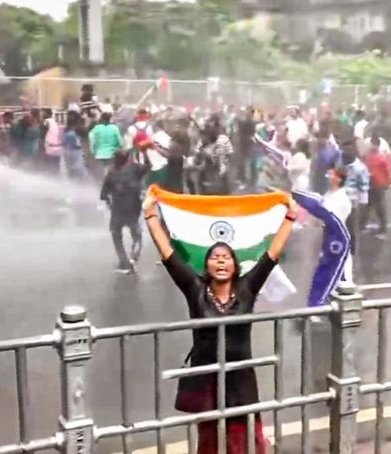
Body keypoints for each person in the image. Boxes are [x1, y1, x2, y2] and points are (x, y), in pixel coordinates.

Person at [143, 191, 297, 454]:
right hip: (206, 379)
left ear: (235, 266)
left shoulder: (247, 288)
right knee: (210, 441)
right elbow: (168, 254)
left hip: (240, 379)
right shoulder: (195, 288)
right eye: (215, 258)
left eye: (226, 258)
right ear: (207, 265)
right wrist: (150, 214)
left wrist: (290, 215)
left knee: (247, 439)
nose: (221, 261)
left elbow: (272, 254)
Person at [100, 149, 151, 273]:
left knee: (116, 234)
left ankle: (123, 260)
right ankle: (133, 259)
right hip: (133, 209)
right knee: (137, 235)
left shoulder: (111, 173)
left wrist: (108, 201)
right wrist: (144, 153)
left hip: (117, 210)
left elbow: (103, 194)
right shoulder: (134, 168)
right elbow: (148, 166)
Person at [322, 168, 354, 283]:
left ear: (338, 179)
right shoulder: (329, 194)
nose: (329, 177)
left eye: (332, 175)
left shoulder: (342, 199)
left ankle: (345, 286)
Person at [365, 142, 391, 238]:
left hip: (377, 184)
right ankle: (365, 226)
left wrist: (387, 181)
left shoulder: (376, 158)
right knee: (370, 206)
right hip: (374, 184)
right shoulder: (372, 157)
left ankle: (383, 229)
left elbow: (387, 171)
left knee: (379, 207)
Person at [89, 112, 124, 181]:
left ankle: (99, 185)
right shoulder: (114, 128)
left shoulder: (96, 128)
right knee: (110, 171)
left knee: (99, 172)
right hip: (111, 154)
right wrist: (119, 147)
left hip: (99, 154)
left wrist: (92, 150)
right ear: (110, 119)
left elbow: (91, 139)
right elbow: (120, 141)